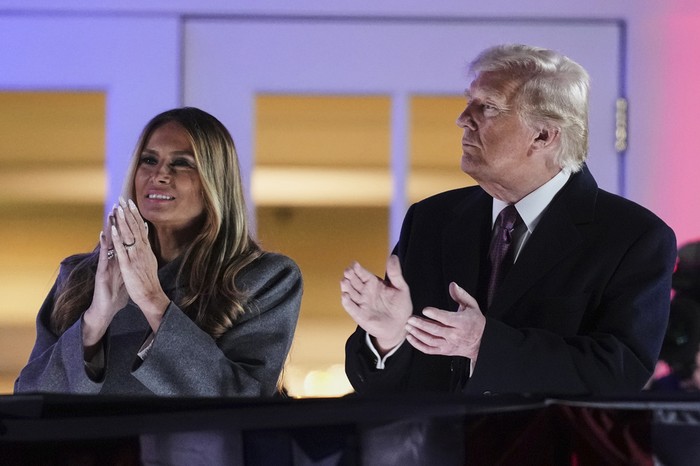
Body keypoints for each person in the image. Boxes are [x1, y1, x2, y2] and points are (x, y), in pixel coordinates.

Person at [341, 44, 677, 397]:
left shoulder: (634, 238)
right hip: (433, 450)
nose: (463, 118)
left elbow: (617, 374)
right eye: (470, 101)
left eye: (487, 107)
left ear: (544, 135)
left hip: (549, 451)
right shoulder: (430, 219)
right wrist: (387, 338)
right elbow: (386, 389)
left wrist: (483, 346)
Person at [15, 107, 302, 397]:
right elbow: (31, 399)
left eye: (182, 163)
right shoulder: (79, 277)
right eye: (149, 160)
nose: (159, 174)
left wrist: (152, 299)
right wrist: (96, 318)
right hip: (96, 444)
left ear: (215, 182)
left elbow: (243, 401)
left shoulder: (266, 278)